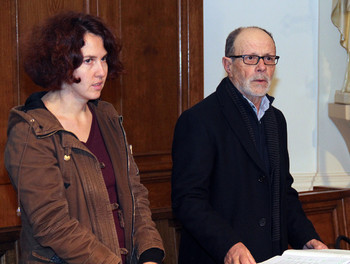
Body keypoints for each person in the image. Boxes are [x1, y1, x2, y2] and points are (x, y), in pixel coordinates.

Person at [5, 11, 164, 264]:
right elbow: (52, 224)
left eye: (103, 59)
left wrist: (150, 253)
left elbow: (135, 194)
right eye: (88, 61)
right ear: (61, 63)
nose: (101, 71)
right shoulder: (30, 131)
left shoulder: (107, 116)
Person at [171, 26, 327, 264]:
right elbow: (188, 200)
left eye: (268, 58)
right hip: (218, 257)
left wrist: (306, 238)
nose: (262, 66)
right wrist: (229, 245)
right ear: (228, 65)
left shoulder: (276, 120)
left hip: (271, 257)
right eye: (250, 58)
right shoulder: (199, 120)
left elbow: (283, 191)